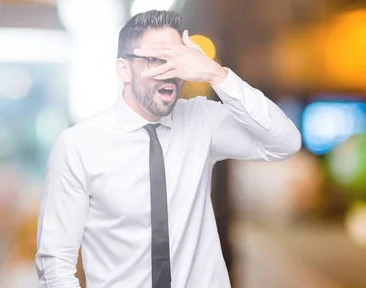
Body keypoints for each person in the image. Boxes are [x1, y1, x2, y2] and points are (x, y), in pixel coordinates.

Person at [35, 10, 301, 288]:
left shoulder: (202, 120)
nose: (169, 73)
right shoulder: (79, 145)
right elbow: (56, 261)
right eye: (155, 60)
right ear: (124, 69)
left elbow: (285, 142)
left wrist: (216, 74)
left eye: (177, 60)